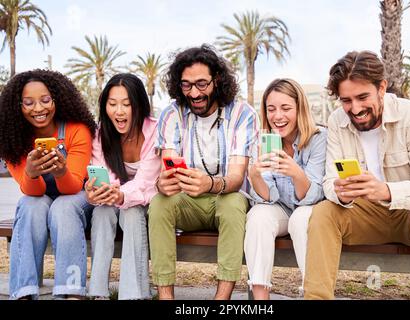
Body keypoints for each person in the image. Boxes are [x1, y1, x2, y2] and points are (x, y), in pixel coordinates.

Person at [304, 50, 410, 300]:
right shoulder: (337, 120)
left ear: (382, 88)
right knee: (323, 213)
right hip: (364, 215)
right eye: (346, 100)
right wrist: (341, 193)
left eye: (362, 97)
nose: (355, 108)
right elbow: (329, 181)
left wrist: (386, 190)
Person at [149, 44, 259, 300]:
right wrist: (161, 184)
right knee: (159, 203)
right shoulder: (172, 114)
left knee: (233, 203)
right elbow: (169, 169)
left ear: (217, 80)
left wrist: (209, 183)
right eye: (186, 85)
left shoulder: (242, 113)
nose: (194, 93)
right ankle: (166, 298)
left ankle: (221, 300)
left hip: (225, 197)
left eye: (201, 84)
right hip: (187, 201)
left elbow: (236, 177)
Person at [0, 69, 96, 300]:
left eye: (45, 100)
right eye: (28, 103)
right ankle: (23, 292)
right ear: (18, 106)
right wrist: (31, 175)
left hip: (77, 197)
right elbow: (33, 192)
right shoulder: (11, 139)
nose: (38, 109)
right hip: (39, 199)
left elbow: (73, 187)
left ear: (56, 100)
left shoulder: (76, 131)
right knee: (30, 205)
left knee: (63, 206)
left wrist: (61, 171)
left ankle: (71, 291)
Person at [245, 78, 327, 299]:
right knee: (258, 216)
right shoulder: (262, 141)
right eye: (271, 109)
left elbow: (312, 196)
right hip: (279, 208)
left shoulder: (318, 138)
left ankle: (313, 294)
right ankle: (260, 299)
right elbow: (268, 197)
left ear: (299, 109)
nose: (277, 116)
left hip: (310, 209)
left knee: (300, 218)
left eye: (286, 108)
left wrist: (295, 172)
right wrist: (254, 175)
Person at [85, 73, 160, 300]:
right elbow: (103, 175)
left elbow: (146, 182)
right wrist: (96, 191)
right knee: (101, 212)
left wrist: (120, 195)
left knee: (131, 212)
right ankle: (98, 292)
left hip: (149, 201)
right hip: (114, 199)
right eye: (112, 104)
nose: (119, 111)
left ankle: (133, 294)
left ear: (139, 105)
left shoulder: (154, 131)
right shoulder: (100, 134)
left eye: (126, 104)